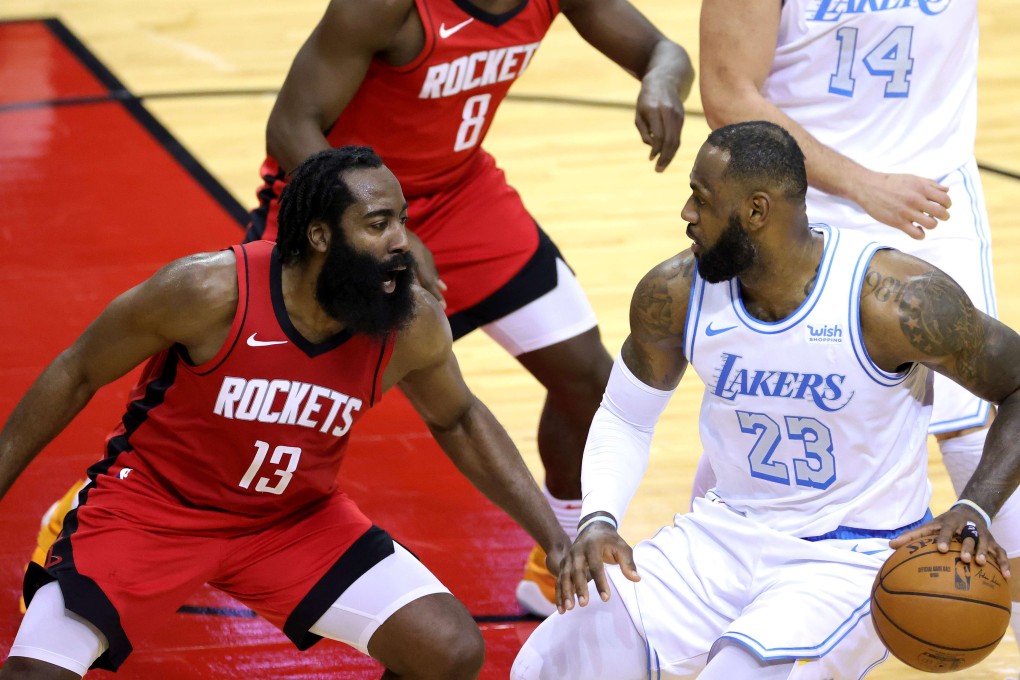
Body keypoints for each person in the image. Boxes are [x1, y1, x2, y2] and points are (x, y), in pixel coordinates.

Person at [22, 0, 694, 621]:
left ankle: (555, 562)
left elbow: (663, 48)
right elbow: (290, 122)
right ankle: (96, 507)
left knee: (589, 380)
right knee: (233, 406)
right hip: (343, 220)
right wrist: (391, 230)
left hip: (465, 201)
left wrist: (662, 80)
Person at [0, 146, 570, 679]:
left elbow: (460, 419)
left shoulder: (407, 322)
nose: (402, 242)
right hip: (155, 509)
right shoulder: (208, 291)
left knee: (450, 650)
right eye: (378, 225)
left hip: (293, 521)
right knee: (33, 673)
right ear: (321, 235)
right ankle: (74, 515)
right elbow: (76, 371)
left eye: (402, 221)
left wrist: (555, 537)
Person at [510, 122, 1020, 679]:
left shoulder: (893, 301)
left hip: (845, 558)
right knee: (551, 659)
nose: (686, 212)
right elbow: (626, 416)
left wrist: (974, 506)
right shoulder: (674, 293)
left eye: (701, 199)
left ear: (756, 210)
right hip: (722, 534)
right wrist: (599, 519)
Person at [697, 0, 1020, 661]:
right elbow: (729, 92)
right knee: (760, 405)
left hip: (931, 200)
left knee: (968, 426)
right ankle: (712, 607)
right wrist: (862, 184)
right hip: (796, 209)